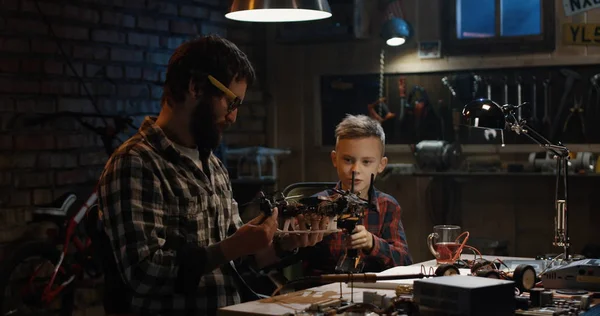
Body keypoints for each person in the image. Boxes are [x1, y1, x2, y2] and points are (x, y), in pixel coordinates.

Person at [97, 35, 328, 316]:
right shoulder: (136, 163)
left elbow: (233, 263)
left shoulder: (214, 166)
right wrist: (231, 247)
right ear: (196, 87)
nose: (233, 117)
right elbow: (145, 275)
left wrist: (280, 243)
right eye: (231, 103)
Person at [300, 114, 413, 275]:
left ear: (381, 165)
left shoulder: (388, 206)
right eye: (347, 160)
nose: (355, 170)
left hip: (370, 292)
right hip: (323, 292)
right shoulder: (318, 204)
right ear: (334, 159)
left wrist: (372, 243)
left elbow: (404, 262)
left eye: (366, 162)